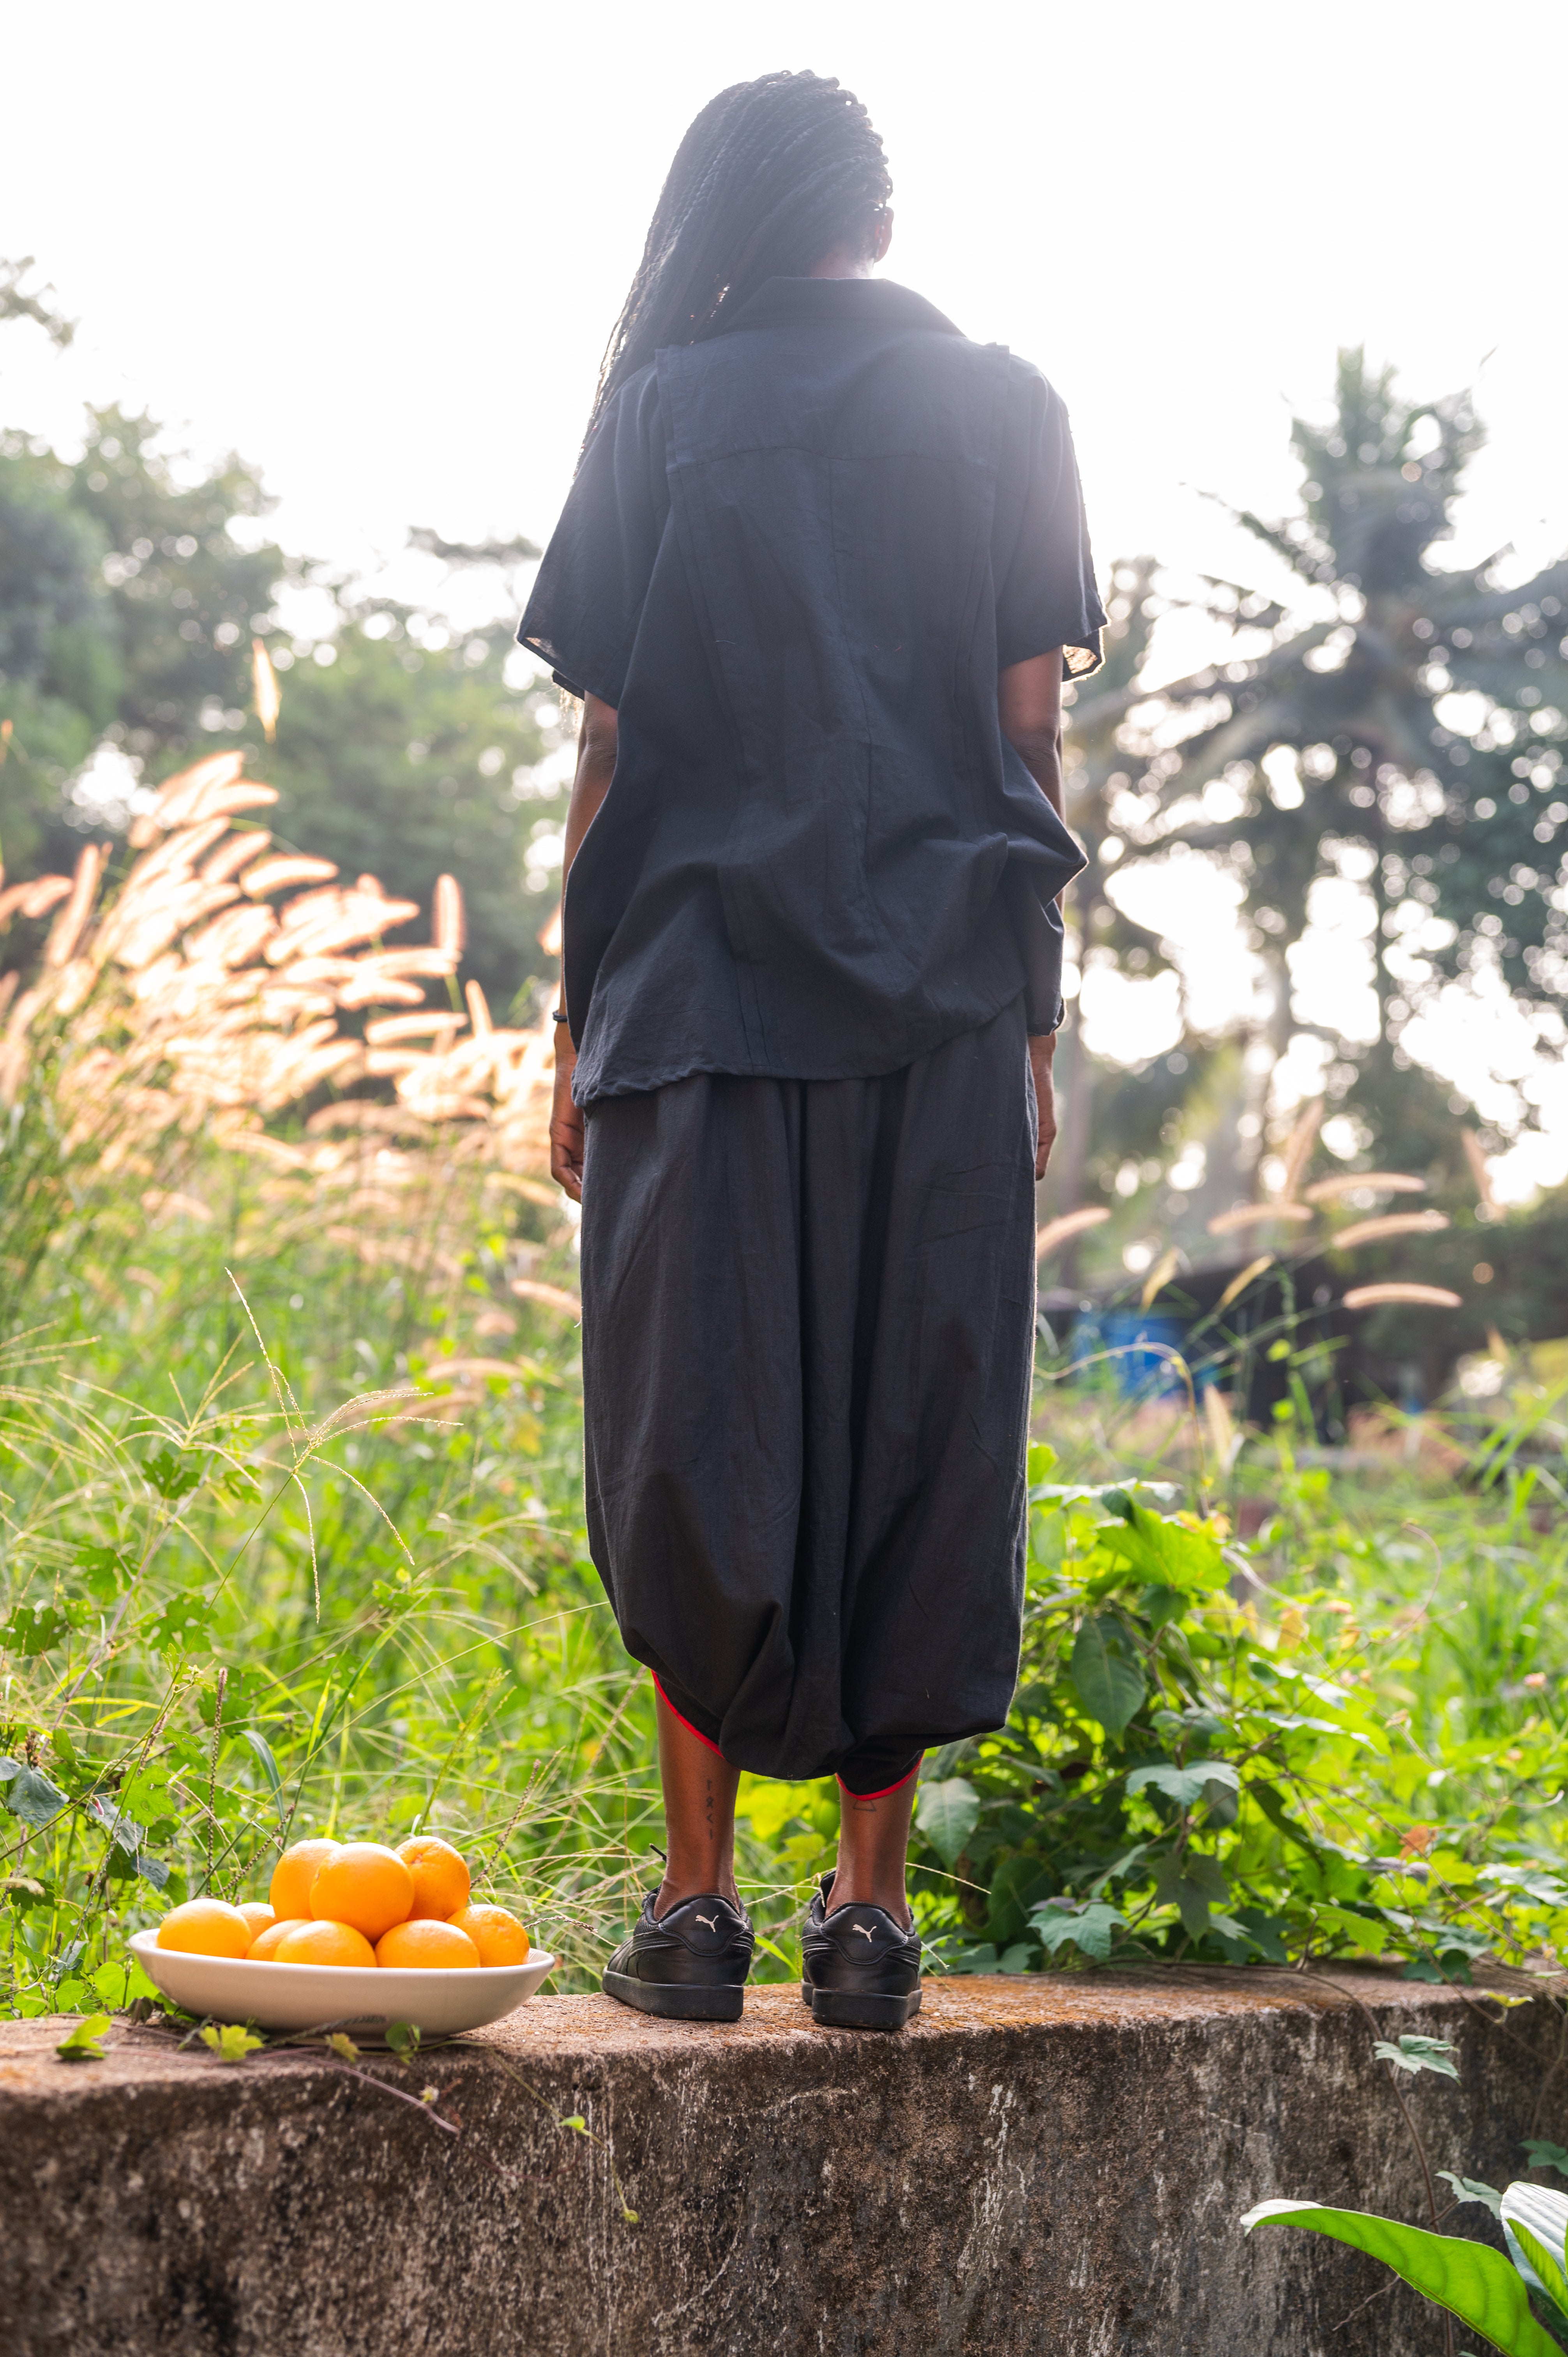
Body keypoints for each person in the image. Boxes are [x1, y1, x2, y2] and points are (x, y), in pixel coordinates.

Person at [518, 69, 1103, 2030]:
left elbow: (605, 748)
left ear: (731, 214)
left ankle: (694, 1917)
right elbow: (1029, 746)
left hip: (693, 1000)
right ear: (873, 218)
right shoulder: (1010, 410)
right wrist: (1033, 1022)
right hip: (940, 996)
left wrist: (567, 1030)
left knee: (697, 1435)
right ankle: (871, 1922)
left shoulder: (659, 411)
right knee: (916, 1434)